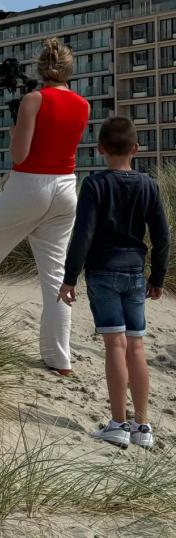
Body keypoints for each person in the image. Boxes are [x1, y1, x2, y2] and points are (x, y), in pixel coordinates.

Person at [0, 37, 89, 374]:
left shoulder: (33, 100)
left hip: (30, 185)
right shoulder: (84, 105)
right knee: (55, 275)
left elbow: (20, 155)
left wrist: (14, 133)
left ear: (41, 69)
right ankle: (59, 358)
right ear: (70, 70)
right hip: (67, 188)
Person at [58, 116, 170, 449]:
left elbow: (84, 234)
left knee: (114, 346)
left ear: (101, 149)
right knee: (136, 346)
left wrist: (69, 277)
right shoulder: (148, 184)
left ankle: (118, 424)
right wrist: (158, 277)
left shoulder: (94, 184)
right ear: (135, 149)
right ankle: (143, 426)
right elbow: (162, 237)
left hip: (102, 273)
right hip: (135, 274)